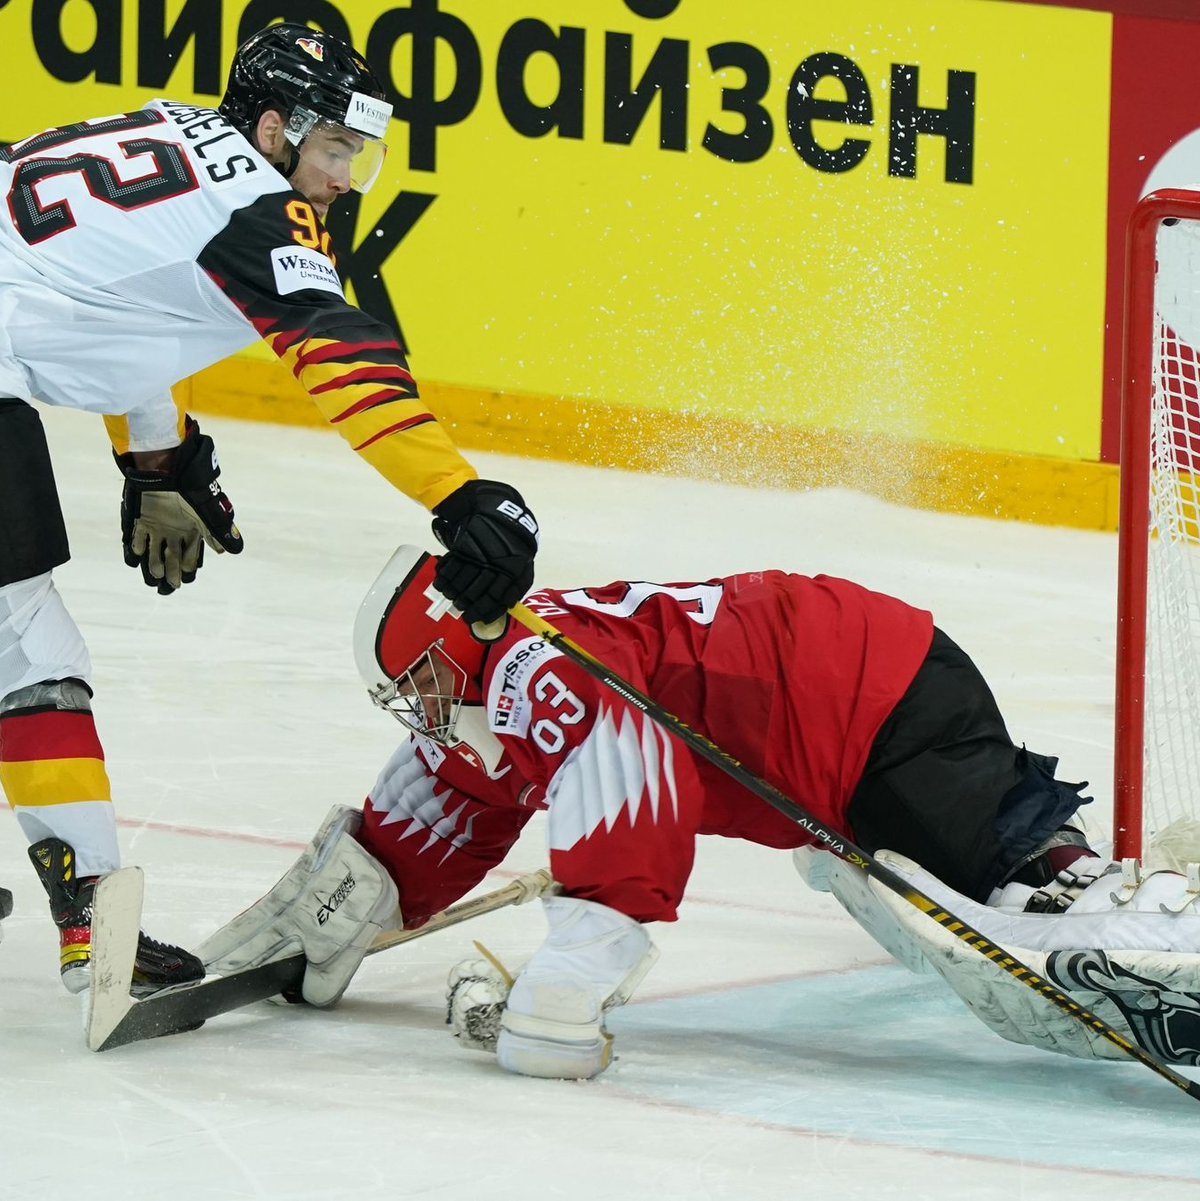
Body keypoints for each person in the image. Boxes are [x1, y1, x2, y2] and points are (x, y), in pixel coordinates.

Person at [200, 545, 1200, 1079]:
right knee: (991, 891)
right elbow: (454, 802)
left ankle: (1153, 922)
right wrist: (346, 903)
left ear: (448, 649)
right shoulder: (502, 684)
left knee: (1024, 891)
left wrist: (568, 991)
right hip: (847, 693)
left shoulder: (536, 670)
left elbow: (635, 768)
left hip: (866, 698)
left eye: (417, 681)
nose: (417, 710)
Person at [0, 25, 538, 994]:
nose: (345, 178)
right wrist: (461, 497)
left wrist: (155, 454)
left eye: (358, 154)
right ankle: (90, 928)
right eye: (336, 148)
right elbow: (343, 358)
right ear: (277, 127)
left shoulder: (169, 135)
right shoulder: (256, 204)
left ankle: (87, 919)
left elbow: (111, 302)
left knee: (18, 640)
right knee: (29, 655)